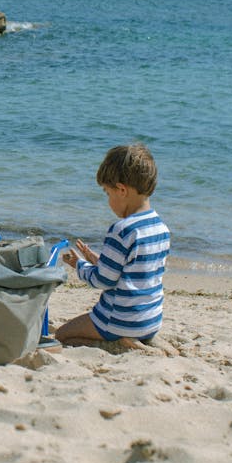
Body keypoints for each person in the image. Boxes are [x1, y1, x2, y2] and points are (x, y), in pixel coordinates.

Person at [56, 143, 170, 347]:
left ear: (121, 190)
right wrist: (96, 259)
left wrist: (79, 265)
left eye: (107, 193)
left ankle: (120, 342)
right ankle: (138, 339)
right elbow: (135, 271)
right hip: (151, 320)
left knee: (63, 336)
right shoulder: (160, 228)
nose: (108, 200)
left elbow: (103, 280)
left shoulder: (122, 229)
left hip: (119, 320)